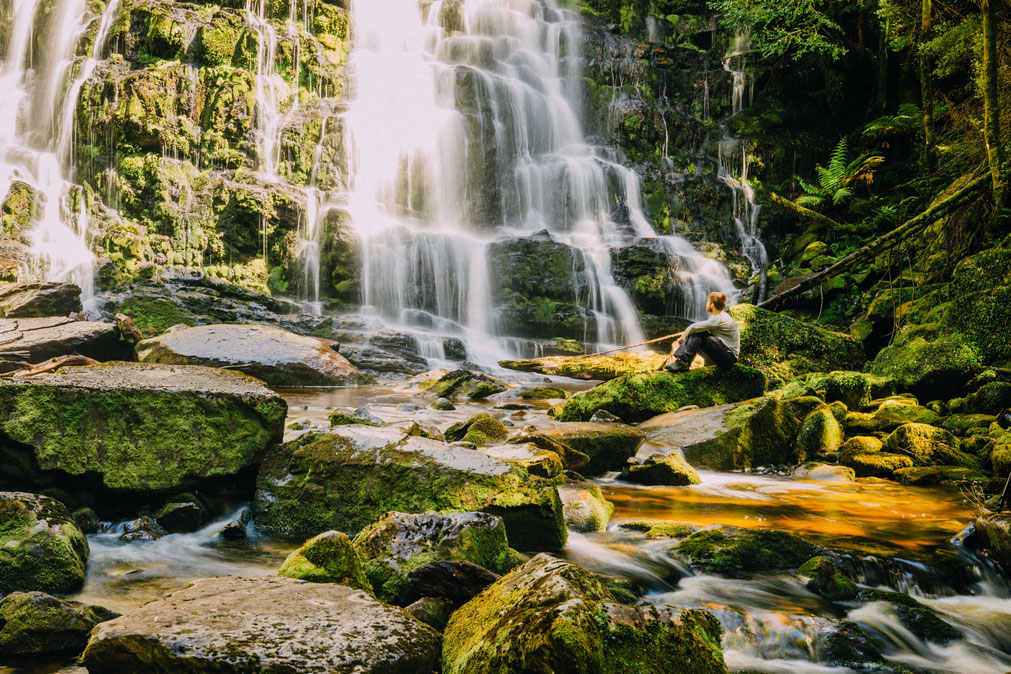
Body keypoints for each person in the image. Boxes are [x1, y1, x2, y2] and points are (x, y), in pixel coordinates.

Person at [664, 292, 739, 372]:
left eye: (707, 302)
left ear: (712, 305)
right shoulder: (721, 317)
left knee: (698, 333)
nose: (706, 304)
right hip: (725, 356)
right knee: (697, 335)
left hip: (728, 358)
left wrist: (682, 338)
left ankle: (682, 362)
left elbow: (694, 327)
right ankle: (684, 363)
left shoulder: (719, 319)